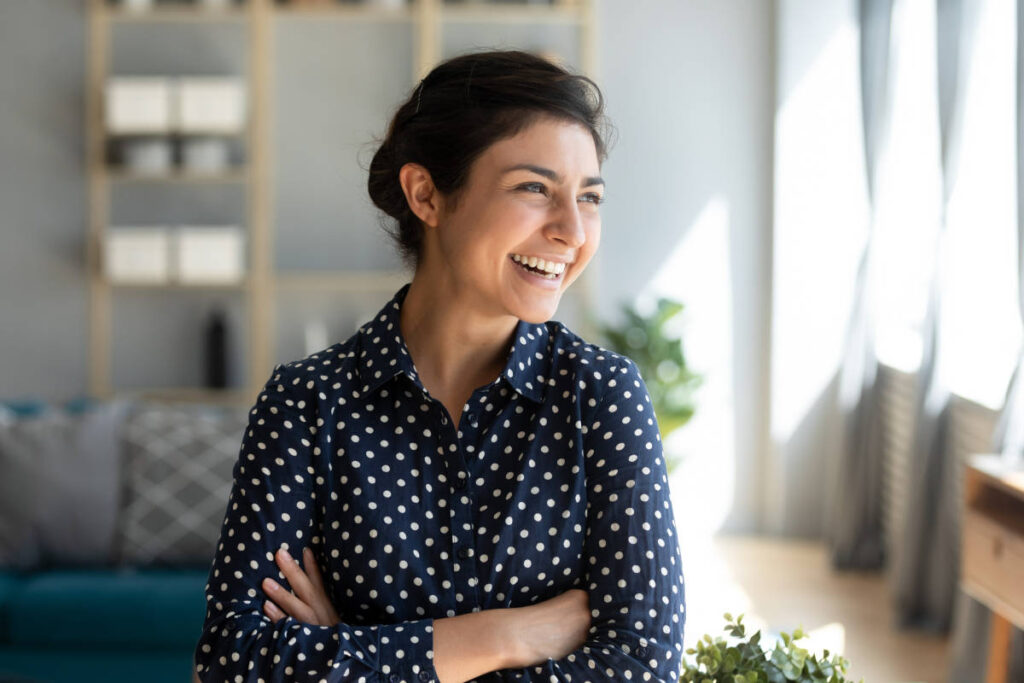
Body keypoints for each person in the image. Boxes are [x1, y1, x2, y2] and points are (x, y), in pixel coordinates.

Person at [193, 49, 686, 683]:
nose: (572, 231)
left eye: (588, 198)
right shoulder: (305, 404)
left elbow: (640, 666)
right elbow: (232, 664)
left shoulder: (601, 396)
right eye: (534, 188)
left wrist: (351, 650)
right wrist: (508, 634)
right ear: (426, 194)